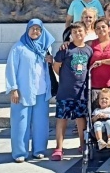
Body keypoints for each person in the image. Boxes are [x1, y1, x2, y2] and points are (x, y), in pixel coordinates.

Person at [5, 19, 54, 162]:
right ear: (27, 30)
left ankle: (39, 149)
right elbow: (11, 69)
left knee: (41, 123)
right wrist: (13, 88)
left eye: (38, 29)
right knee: (20, 123)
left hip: (41, 91)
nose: (35, 31)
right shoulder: (19, 48)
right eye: (32, 28)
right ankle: (20, 153)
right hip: (23, 92)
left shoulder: (45, 48)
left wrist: (50, 60)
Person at [51, 22, 93, 161]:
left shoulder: (88, 50)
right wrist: (64, 78)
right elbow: (56, 67)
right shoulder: (65, 49)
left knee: (81, 119)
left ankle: (82, 144)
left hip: (81, 92)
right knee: (61, 119)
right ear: (71, 34)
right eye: (75, 32)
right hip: (65, 91)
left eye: (80, 31)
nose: (78, 34)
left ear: (85, 32)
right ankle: (59, 148)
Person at [89, 18, 110, 89]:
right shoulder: (90, 43)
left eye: (103, 27)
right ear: (95, 31)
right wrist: (66, 43)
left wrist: (102, 62)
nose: (101, 29)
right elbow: (78, 45)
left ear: (109, 29)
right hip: (93, 83)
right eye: (98, 28)